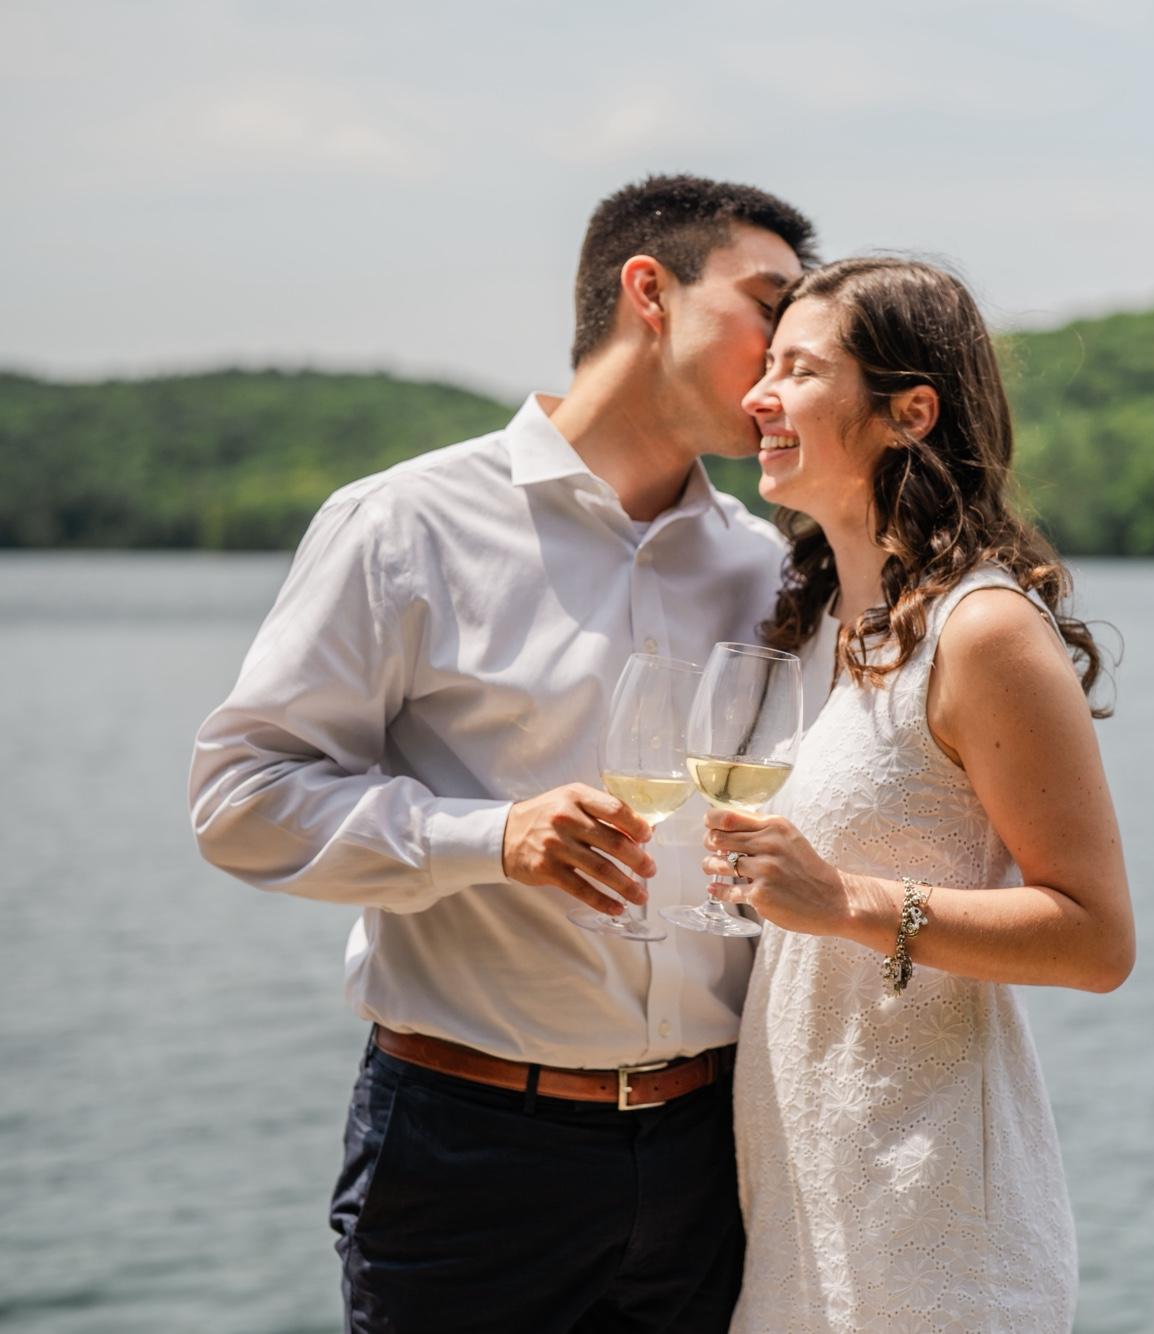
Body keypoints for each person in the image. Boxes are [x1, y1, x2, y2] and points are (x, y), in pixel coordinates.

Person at [187, 174, 816, 1333]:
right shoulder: (404, 524)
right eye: (768, 310)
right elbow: (239, 797)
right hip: (468, 1153)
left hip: (713, 1152)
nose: (786, 361)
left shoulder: (770, 567)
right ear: (650, 293)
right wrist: (492, 836)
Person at [699, 257, 1136, 1333]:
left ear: (909, 411)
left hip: (931, 1226)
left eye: (796, 371)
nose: (756, 397)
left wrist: (844, 898)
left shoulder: (979, 630)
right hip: (802, 1214)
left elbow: (1095, 938)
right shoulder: (808, 632)